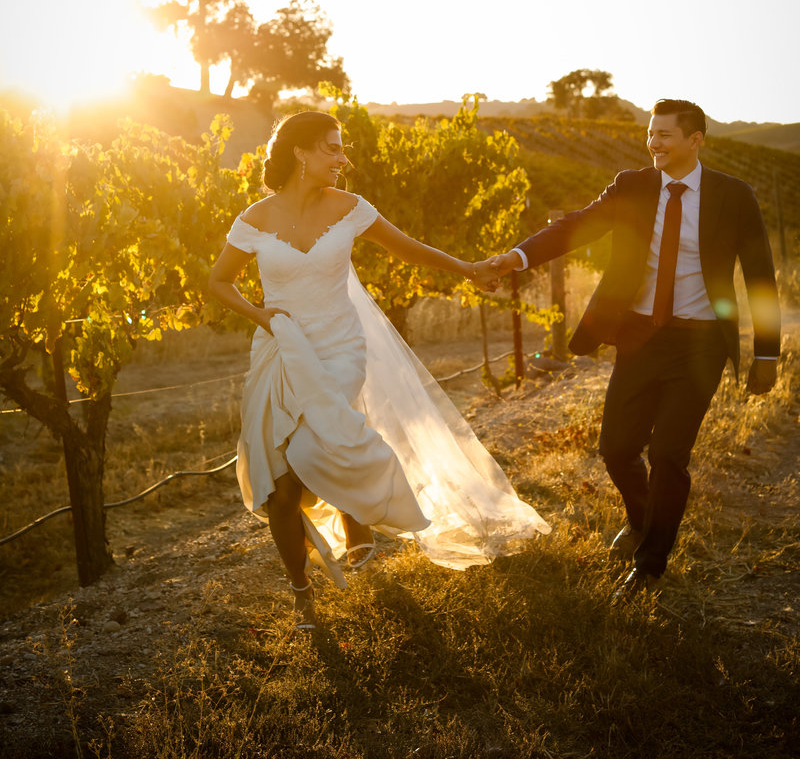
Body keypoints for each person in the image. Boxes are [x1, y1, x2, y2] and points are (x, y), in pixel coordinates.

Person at [208, 110, 550, 629]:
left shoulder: (349, 208)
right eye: (331, 148)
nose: (343, 159)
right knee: (278, 487)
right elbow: (218, 282)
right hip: (280, 352)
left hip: (341, 347)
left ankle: (359, 519)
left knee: (307, 448)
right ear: (299, 152)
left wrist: (468, 269)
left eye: (341, 148)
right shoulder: (254, 219)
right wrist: (263, 317)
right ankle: (303, 593)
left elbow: (407, 248)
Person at [488, 99, 781, 600]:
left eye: (665, 134)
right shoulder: (633, 186)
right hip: (640, 336)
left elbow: (759, 279)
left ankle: (650, 565)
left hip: (701, 341)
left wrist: (768, 354)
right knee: (616, 449)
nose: (654, 143)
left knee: (669, 455)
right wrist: (515, 257)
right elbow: (575, 226)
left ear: (696, 140)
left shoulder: (735, 196)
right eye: (651, 134)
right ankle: (643, 518)